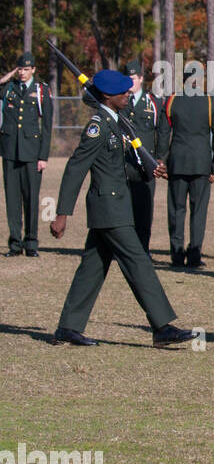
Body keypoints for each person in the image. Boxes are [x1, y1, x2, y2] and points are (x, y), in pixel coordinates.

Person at [48, 69, 197, 347]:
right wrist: (62, 213)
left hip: (116, 205)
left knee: (91, 269)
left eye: (129, 91)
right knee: (139, 263)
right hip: (109, 207)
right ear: (107, 96)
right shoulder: (99, 125)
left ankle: (68, 327)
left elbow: (118, 166)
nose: (128, 95)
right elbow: (75, 168)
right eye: (123, 92)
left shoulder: (116, 121)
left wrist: (148, 171)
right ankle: (162, 326)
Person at [164, 88, 214, 267]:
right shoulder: (209, 101)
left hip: (178, 161)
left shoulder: (173, 99)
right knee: (199, 211)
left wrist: (162, 160)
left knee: (176, 210)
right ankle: (194, 254)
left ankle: (176, 254)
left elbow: (163, 131)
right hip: (201, 162)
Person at [0, 51, 53, 257]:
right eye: (20, 68)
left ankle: (31, 243)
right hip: (10, 152)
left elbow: (47, 126)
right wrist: (10, 73)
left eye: (26, 69)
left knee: (31, 199)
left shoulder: (41, 91)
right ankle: (15, 243)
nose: (23, 73)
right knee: (12, 200)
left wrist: (43, 156)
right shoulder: (10, 88)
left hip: (32, 153)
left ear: (34, 70)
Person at [121, 59, 170, 251]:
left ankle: (143, 248)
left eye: (133, 78)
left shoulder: (154, 102)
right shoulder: (118, 100)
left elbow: (163, 132)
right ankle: (125, 248)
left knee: (144, 210)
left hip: (146, 165)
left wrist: (160, 158)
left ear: (141, 79)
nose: (130, 82)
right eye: (127, 78)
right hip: (123, 163)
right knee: (124, 209)